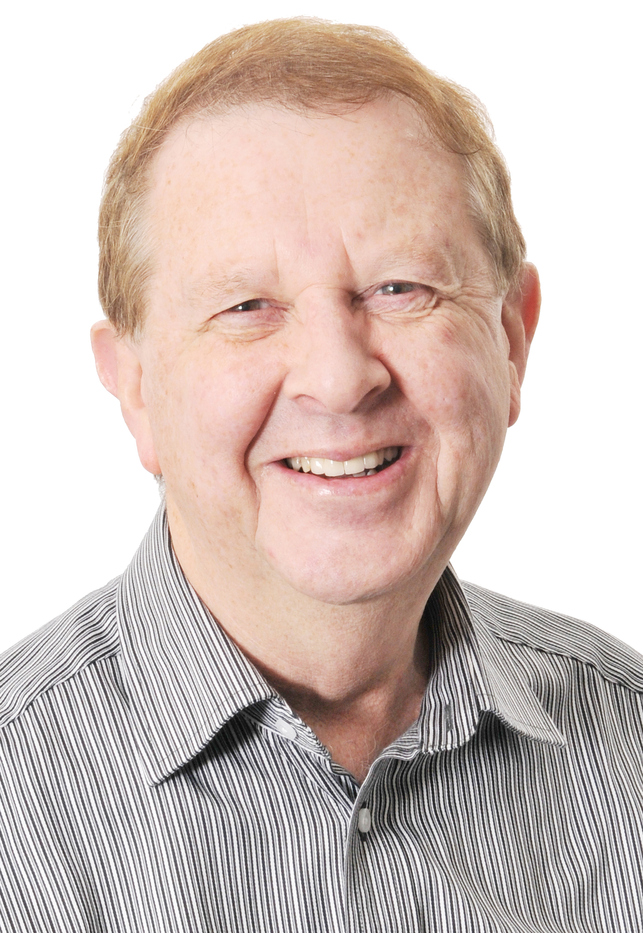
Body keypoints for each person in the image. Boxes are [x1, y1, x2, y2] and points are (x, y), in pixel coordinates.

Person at [1, 17, 642, 932]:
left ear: (510, 340)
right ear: (134, 387)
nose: (339, 379)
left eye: (400, 288)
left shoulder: (628, 748)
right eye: (247, 306)